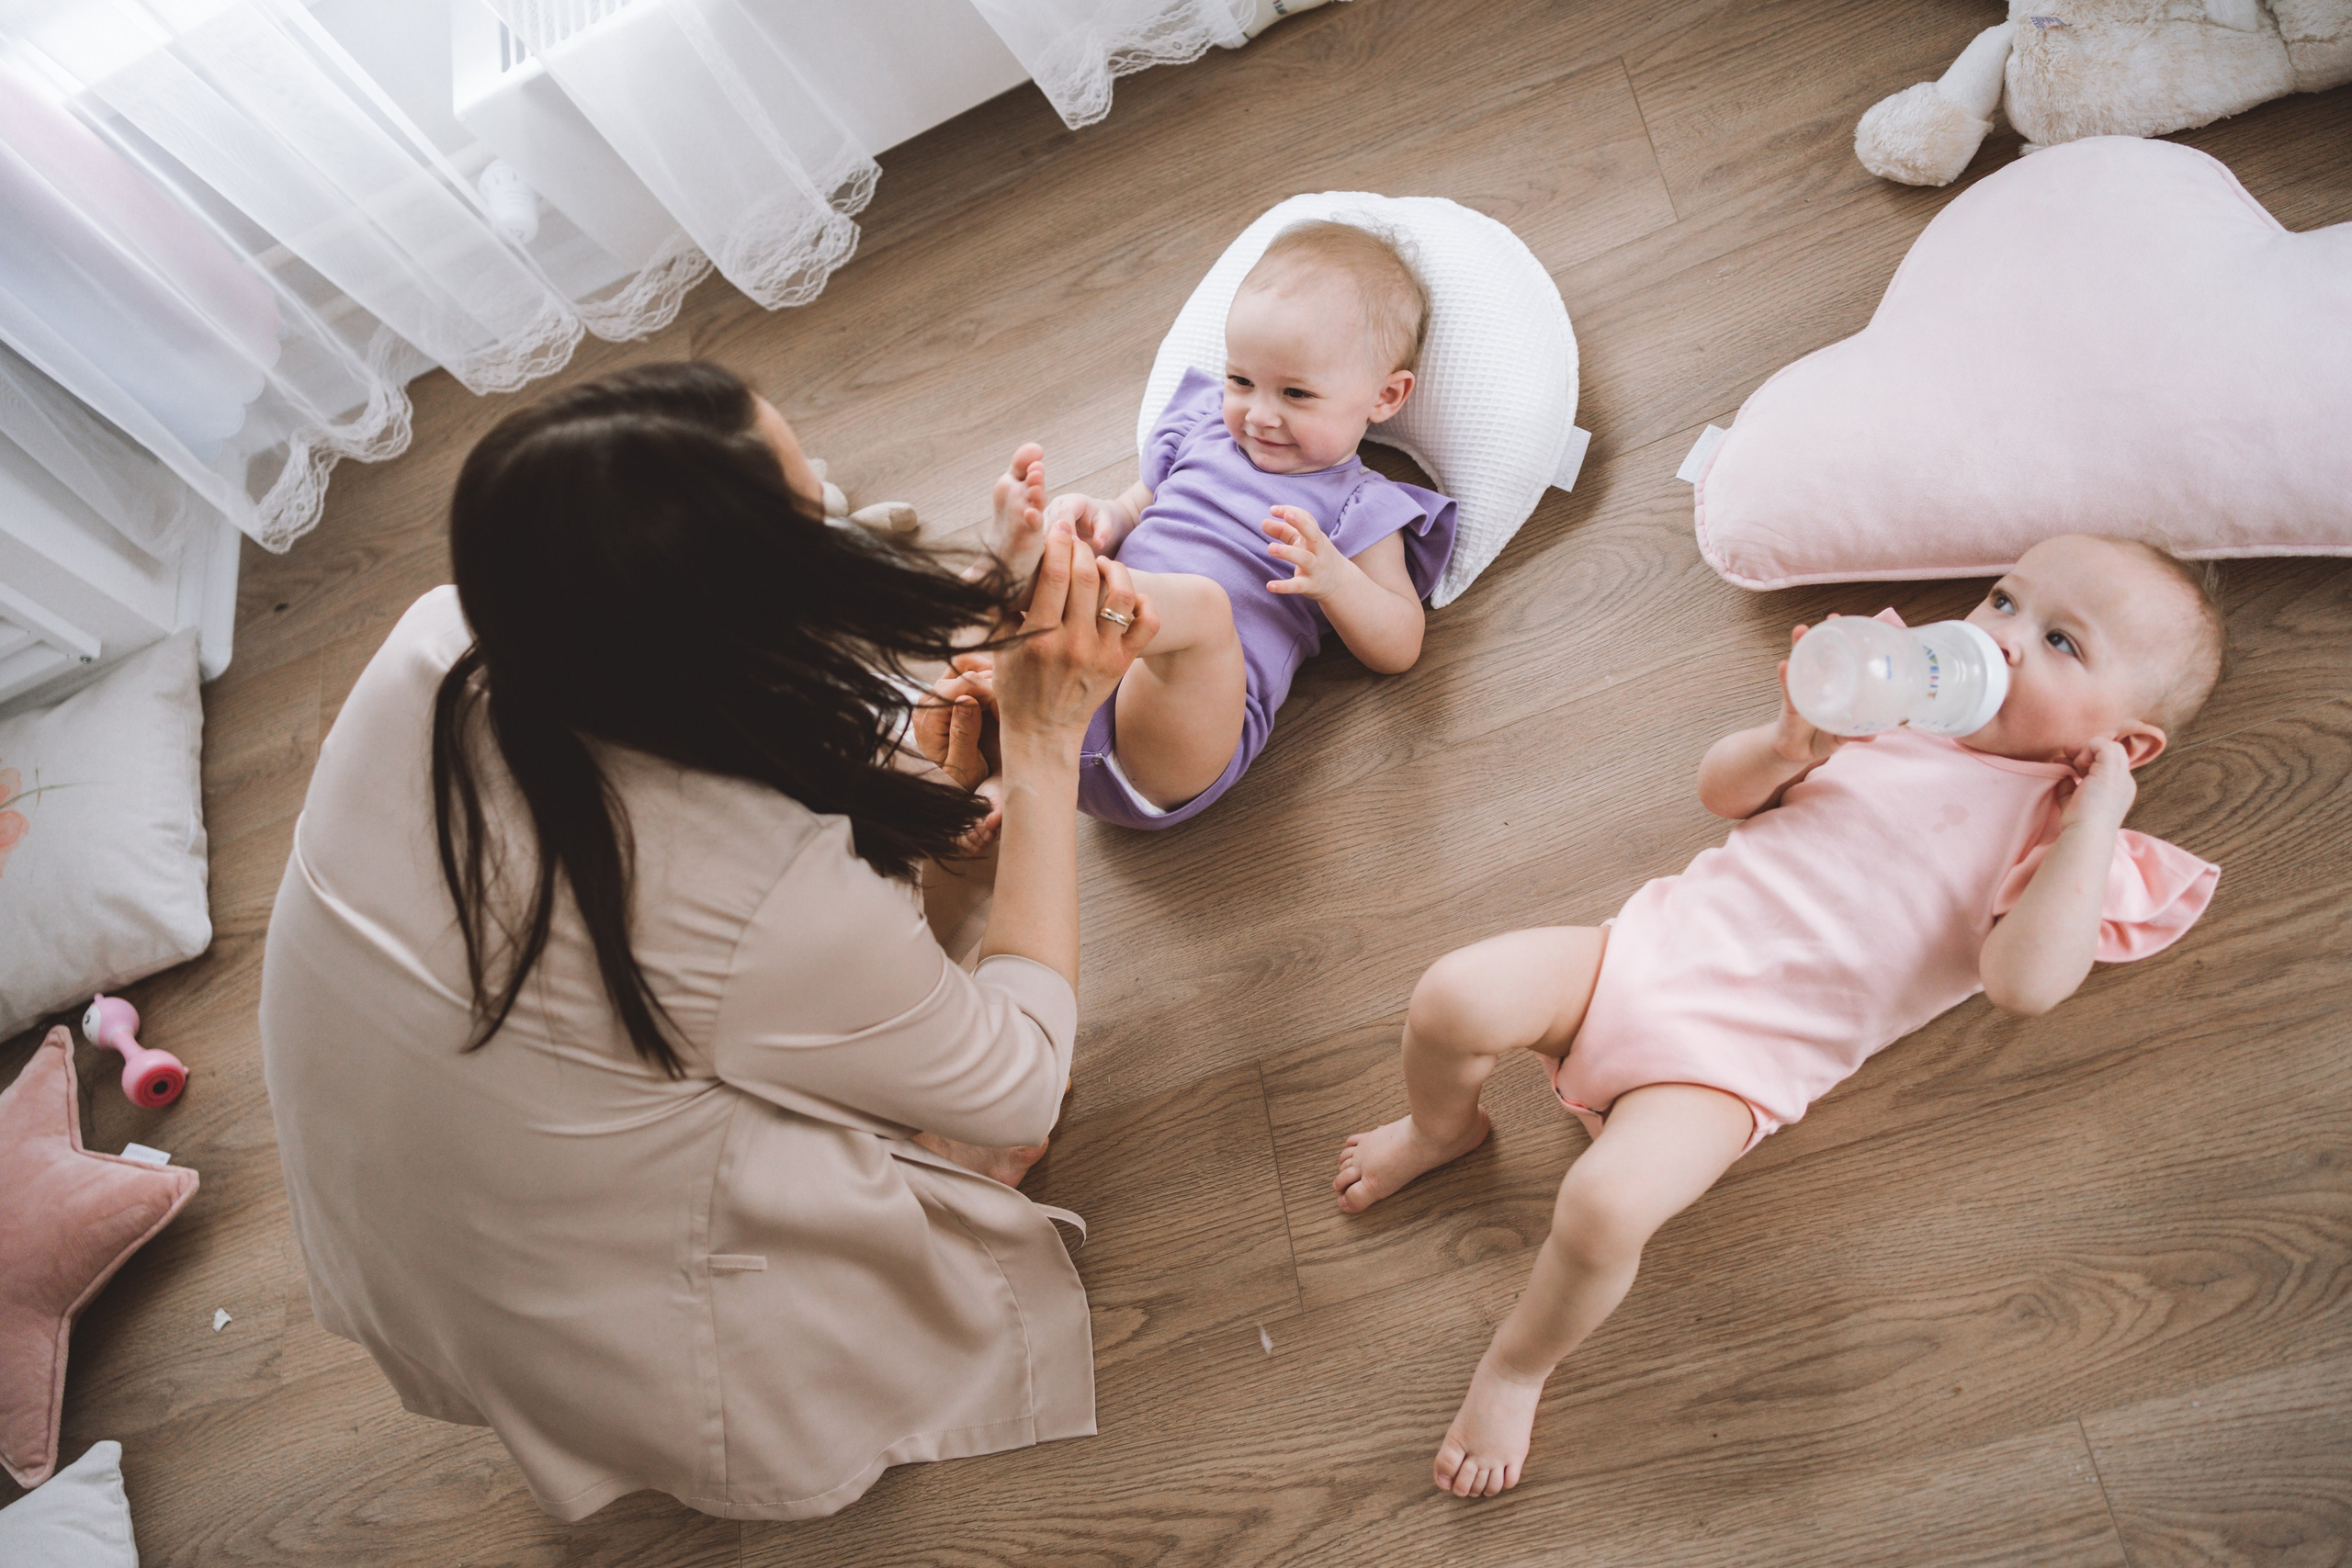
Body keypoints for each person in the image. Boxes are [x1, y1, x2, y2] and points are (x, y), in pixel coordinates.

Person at [258, 362, 1156, 1521]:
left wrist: (971, 594)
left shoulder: (461, 631)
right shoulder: (751, 883)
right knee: (980, 1105)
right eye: (808, 517)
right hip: (602, 1299)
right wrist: (1041, 743)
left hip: (407, 1222)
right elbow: (1021, 1085)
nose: (832, 506)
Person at [1331, 534, 2226, 1497]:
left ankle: (1517, 1366)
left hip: (1729, 1071)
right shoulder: (1886, 704)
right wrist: (1784, 745)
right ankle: (1442, 1129)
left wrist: (2093, 821)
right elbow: (1722, 794)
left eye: (2060, 643)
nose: (2005, 638)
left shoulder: (2057, 844)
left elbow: (2026, 984)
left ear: (2126, 747)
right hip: (1633, 958)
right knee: (1452, 993)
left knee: (1604, 1207)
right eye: (2004, 600)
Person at [991, 220, 1457, 829]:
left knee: (1202, 610)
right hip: (1056, 703)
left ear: (1385, 397)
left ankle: (1035, 581)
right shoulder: (1203, 428)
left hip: (1168, 742)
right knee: (1045, 610)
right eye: (1241, 381)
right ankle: (994, 765)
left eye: (1296, 394)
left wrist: (1336, 579)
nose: (1259, 414)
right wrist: (1103, 518)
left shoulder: (1360, 506)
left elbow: (1401, 643)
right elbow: (1137, 506)